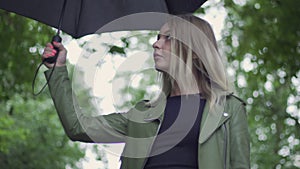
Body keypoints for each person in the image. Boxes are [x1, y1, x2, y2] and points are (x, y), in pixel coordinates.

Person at [42, 14, 250, 169]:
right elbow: (79, 127)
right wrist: (57, 70)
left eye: (168, 38)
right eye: (158, 37)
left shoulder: (228, 109)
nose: (156, 43)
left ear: (194, 51)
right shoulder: (143, 114)